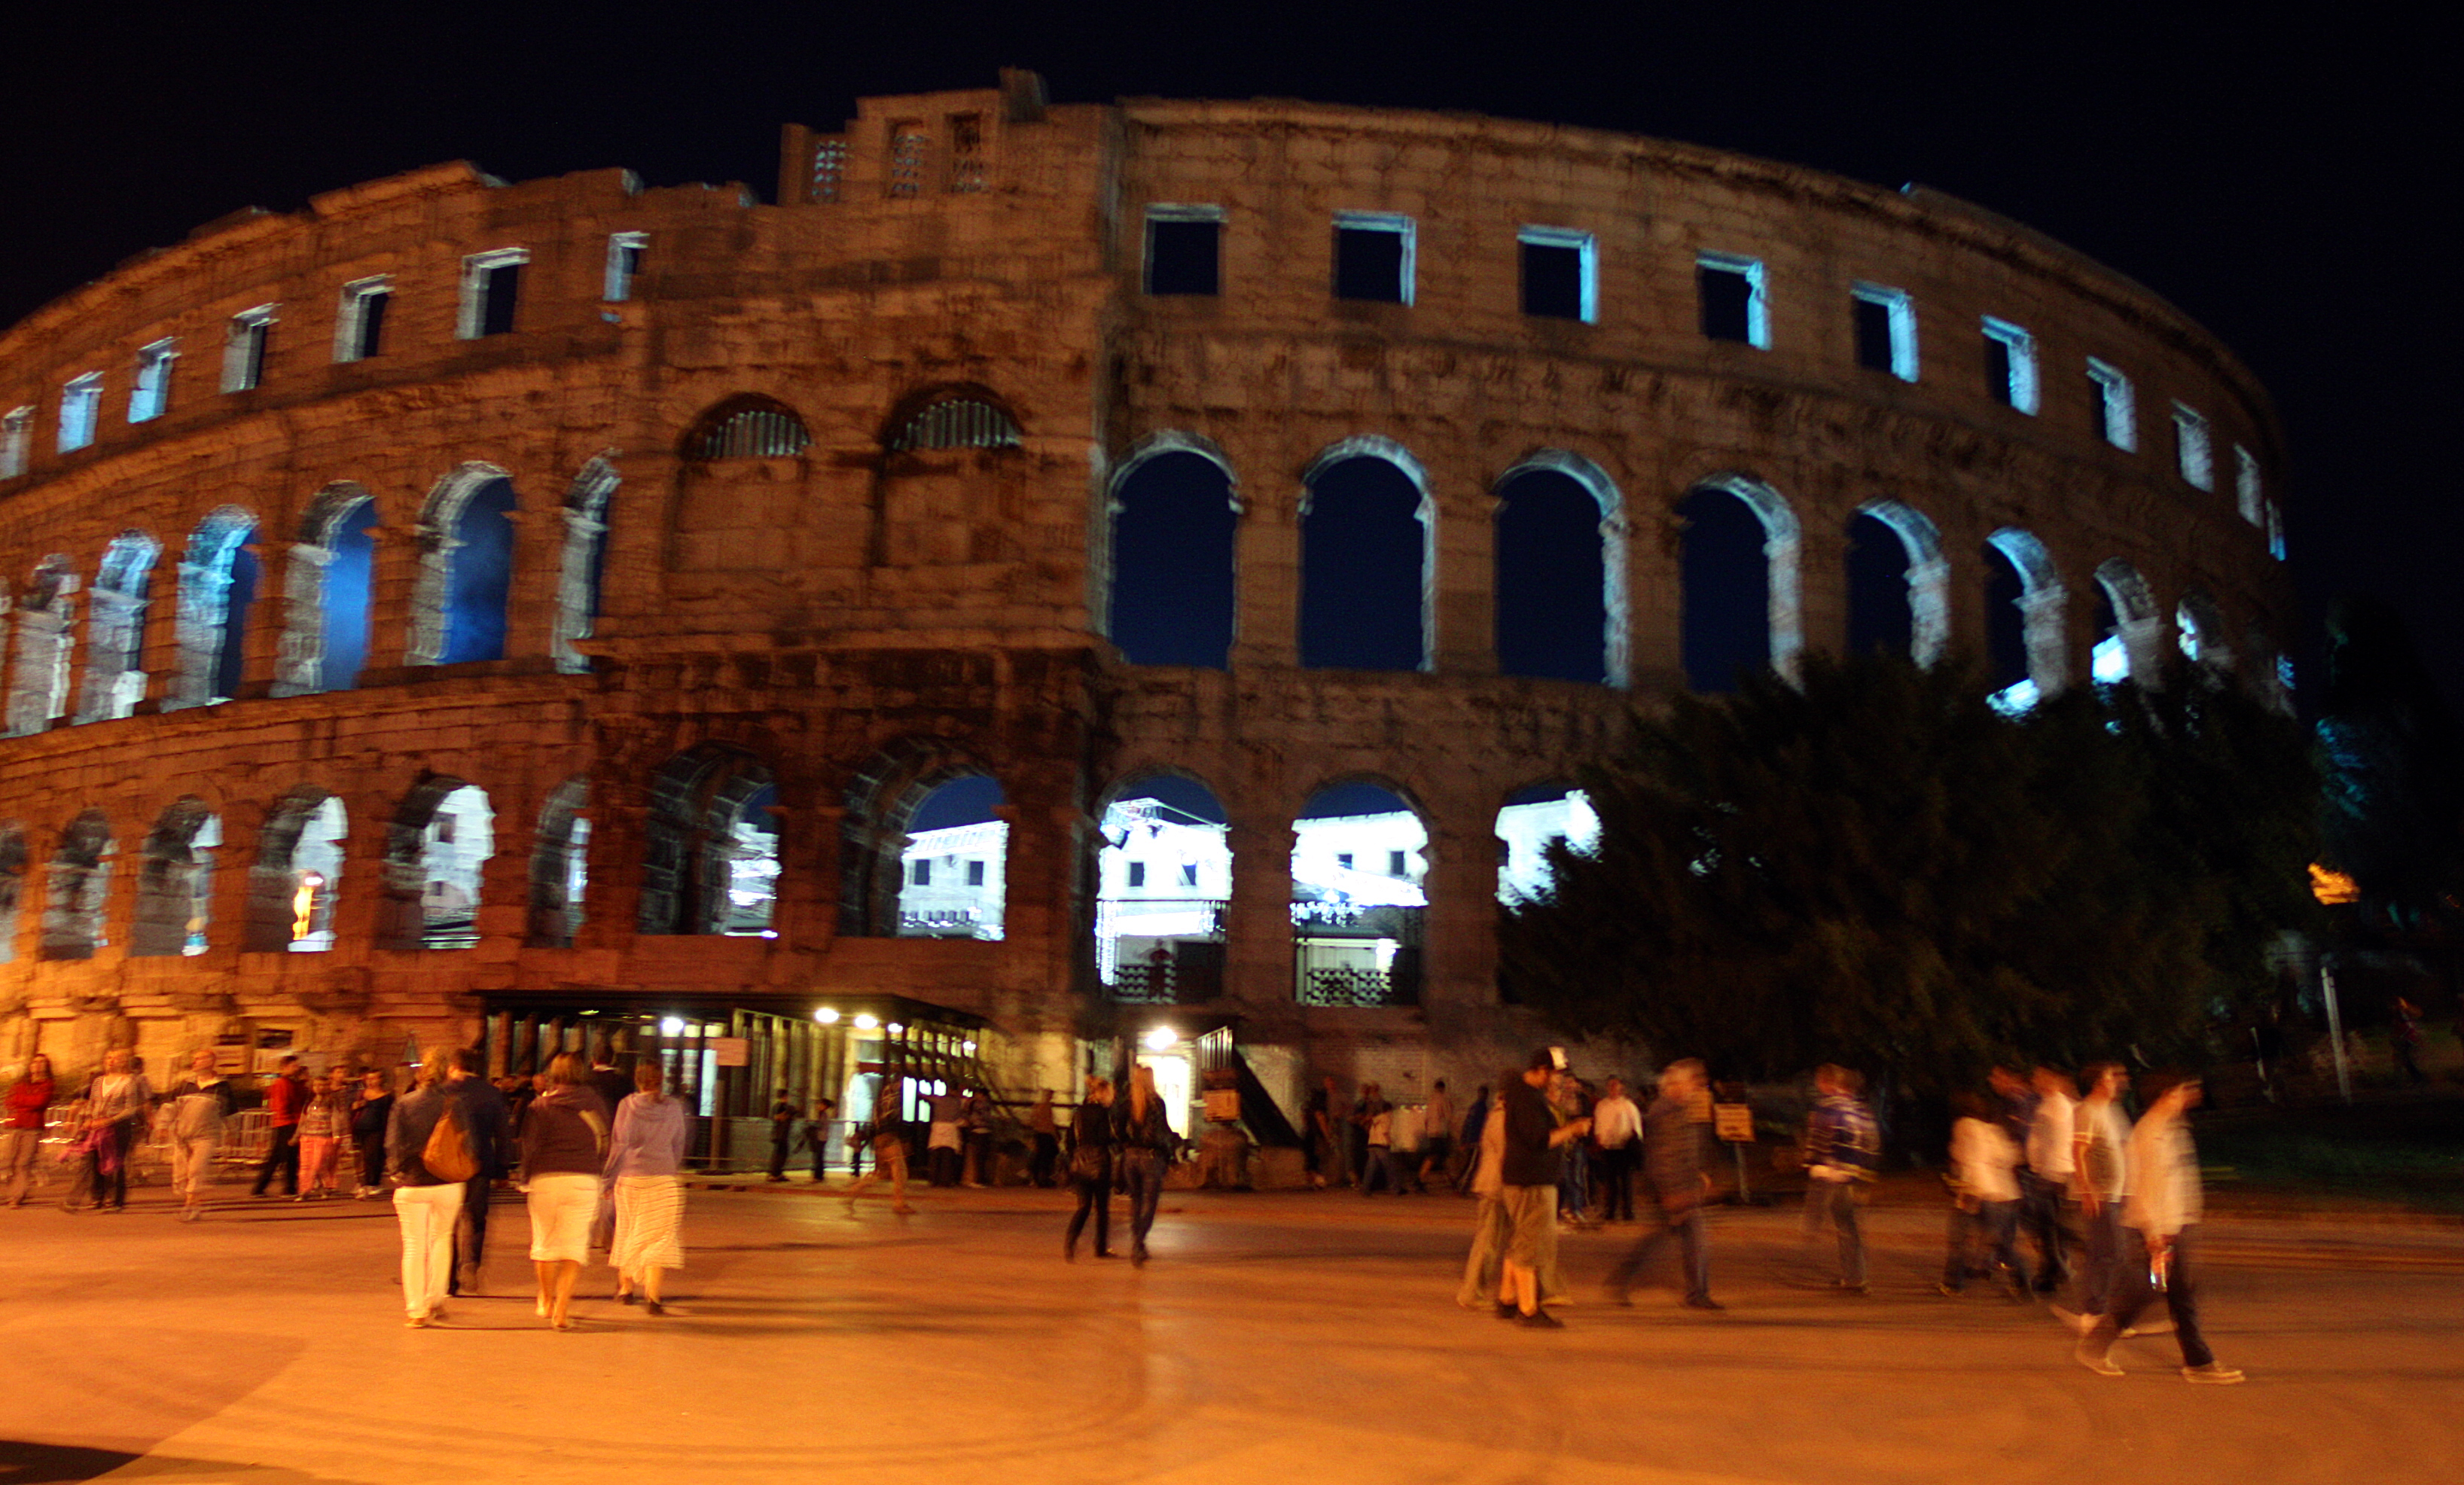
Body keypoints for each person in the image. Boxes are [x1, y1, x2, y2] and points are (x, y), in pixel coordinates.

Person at [2075, 1074, 2244, 1383]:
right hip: (2158, 1232)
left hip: (2174, 1227)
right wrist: (2155, 1236)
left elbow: (2178, 1183)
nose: (2188, 1096)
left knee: (2179, 1295)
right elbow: (2145, 1189)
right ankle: (2097, 1346)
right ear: (2164, 1095)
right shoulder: (2151, 1133)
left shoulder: (2170, 1128)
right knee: (2144, 1294)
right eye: (2181, 1091)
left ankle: (2198, 1362)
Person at [1607, 1059, 1720, 1310]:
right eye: (1692, 1082)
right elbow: (1663, 1156)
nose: (1695, 1087)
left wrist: (1698, 1175)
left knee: (1673, 1241)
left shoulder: (1677, 1108)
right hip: (1674, 1191)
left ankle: (1627, 1280)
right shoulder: (1665, 1111)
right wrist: (1671, 1191)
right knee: (1686, 1240)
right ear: (1676, 1085)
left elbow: (1683, 1150)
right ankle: (1695, 1295)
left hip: (1682, 1187)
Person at [1496, 1047, 1590, 1328]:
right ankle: (1528, 1309)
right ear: (1541, 1070)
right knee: (1530, 1246)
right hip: (1531, 1183)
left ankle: (1507, 1299)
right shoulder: (1526, 1098)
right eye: (1554, 1074)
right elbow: (1539, 1140)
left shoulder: (1526, 1096)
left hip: (1527, 1180)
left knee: (1520, 1242)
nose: (1556, 1081)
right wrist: (1572, 1130)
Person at [521, 1051, 610, 1330]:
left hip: (546, 1179)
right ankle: (562, 1311)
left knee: (545, 1244)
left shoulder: (539, 1106)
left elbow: (529, 1147)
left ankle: (546, 1300)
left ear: (553, 1075)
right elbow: (605, 1141)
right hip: (584, 1179)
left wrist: (524, 1178)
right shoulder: (594, 1104)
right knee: (574, 1248)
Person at [385, 1048, 465, 1327]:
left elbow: (392, 1144)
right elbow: (467, 1141)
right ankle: (436, 1299)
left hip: (413, 1182)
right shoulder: (457, 1103)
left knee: (414, 1245)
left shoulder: (404, 1104)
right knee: (442, 1239)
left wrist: (397, 1172)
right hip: (448, 1181)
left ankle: (416, 1310)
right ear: (448, 1072)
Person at [606, 1059, 689, 1314]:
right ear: (661, 1080)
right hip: (663, 1178)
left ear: (637, 1080)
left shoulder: (626, 1106)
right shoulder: (674, 1107)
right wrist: (669, 1167)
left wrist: (608, 1178)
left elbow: (619, 1144)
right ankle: (653, 1297)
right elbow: (679, 1142)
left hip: (630, 1177)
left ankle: (626, 1289)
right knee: (658, 1237)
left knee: (627, 1230)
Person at [2060, 1062, 2132, 1334]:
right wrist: (2087, 1190)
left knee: (2105, 1253)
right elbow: (2078, 1151)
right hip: (2099, 1195)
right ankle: (2094, 1312)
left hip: (2113, 1193)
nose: (2115, 1082)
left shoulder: (2108, 1111)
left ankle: (2099, 1311)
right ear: (2098, 1084)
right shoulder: (2088, 1110)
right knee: (2111, 1254)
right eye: (2110, 1078)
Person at [1803, 1064, 1881, 1294]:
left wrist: (1812, 1163)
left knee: (1844, 1226)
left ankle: (1854, 1278)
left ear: (1824, 1082)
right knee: (1851, 1227)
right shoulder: (1860, 1109)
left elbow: (1819, 1139)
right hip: (1854, 1175)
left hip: (1833, 1173)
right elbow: (1872, 1143)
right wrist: (1866, 1177)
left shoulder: (1826, 1107)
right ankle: (1856, 1277)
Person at [1941, 1091, 2027, 1297]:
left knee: (1958, 1238)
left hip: (1975, 1189)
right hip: (2003, 1192)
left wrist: (1967, 1188)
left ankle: (1953, 1283)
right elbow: (2012, 1157)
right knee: (1999, 1242)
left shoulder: (1963, 1126)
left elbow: (1966, 1159)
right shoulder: (1994, 1130)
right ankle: (2021, 1280)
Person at [446, 1048, 512, 1298]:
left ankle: (448, 1280)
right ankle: (471, 1261)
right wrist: (503, 1168)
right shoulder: (491, 1093)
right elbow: (503, 1133)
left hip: (448, 1166)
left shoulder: (445, 1091)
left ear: (454, 1066)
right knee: (476, 1218)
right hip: (481, 1165)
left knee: (447, 1223)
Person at [158, 1049, 236, 1222]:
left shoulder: (221, 1087)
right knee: (181, 1174)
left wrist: (232, 1132)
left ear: (210, 1062)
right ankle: (191, 1200)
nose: (194, 1063)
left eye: (198, 1059)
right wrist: (163, 1126)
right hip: (182, 1135)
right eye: (194, 1060)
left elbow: (230, 1113)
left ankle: (191, 1206)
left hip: (206, 1136)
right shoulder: (186, 1085)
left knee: (196, 1170)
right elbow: (170, 1107)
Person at [74, 1048, 152, 1212]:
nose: (110, 1061)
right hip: (96, 1125)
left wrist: (109, 1120)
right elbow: (92, 1103)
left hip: (118, 1126)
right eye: (108, 1058)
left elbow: (130, 1108)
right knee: (94, 1160)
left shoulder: (129, 1081)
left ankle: (115, 1199)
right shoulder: (98, 1081)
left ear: (123, 1061)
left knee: (115, 1161)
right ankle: (97, 1197)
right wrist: (89, 1119)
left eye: (115, 1058)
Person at [2022, 1066, 2077, 1296]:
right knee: (2052, 1227)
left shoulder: (2054, 1107)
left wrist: (2036, 1164)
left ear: (2051, 1079)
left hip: (2052, 1173)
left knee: (2047, 1229)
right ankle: (2050, 1275)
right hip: (2056, 1172)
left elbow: (2045, 1143)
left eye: (2038, 1076)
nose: (2034, 1080)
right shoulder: (2056, 1104)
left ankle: (2058, 1270)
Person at [1114, 1064, 1175, 1266]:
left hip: (1131, 1157)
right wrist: (1169, 1153)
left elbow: (1117, 1128)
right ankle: (1138, 1243)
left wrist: (1126, 1144)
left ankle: (1138, 1243)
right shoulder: (1157, 1104)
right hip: (1151, 1156)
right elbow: (1163, 1132)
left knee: (1136, 1202)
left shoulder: (1126, 1104)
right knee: (1150, 1204)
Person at [842, 1076, 913, 1213]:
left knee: (882, 1174)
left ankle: (852, 1194)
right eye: (901, 1083)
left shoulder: (879, 1098)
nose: (901, 1086)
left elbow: (876, 1121)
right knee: (900, 1172)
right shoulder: (892, 1095)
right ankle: (899, 1203)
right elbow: (891, 1118)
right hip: (889, 1137)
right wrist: (902, 1138)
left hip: (880, 1138)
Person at [1063, 1075, 1116, 1260]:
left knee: (1083, 1207)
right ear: (1100, 1094)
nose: (1111, 1096)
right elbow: (1104, 1139)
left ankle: (1070, 1241)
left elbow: (1069, 1140)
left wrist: (1075, 1157)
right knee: (1102, 1208)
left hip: (1080, 1165)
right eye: (1109, 1093)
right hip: (1099, 1164)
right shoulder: (1103, 1114)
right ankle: (1100, 1248)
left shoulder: (1078, 1113)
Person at [250, 1055, 308, 1198]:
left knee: (276, 1157)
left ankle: (260, 1188)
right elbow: (281, 1105)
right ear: (285, 1067)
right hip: (287, 1124)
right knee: (289, 1157)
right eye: (294, 1066)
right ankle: (289, 1188)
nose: (297, 1068)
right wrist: (289, 1121)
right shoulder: (281, 1083)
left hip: (290, 1122)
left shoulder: (292, 1083)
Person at [3, 1054, 56, 1207]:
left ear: (46, 1066)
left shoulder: (48, 1085)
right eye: (35, 1062)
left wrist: (21, 1101)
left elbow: (39, 1102)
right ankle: (10, 1193)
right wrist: (25, 1102)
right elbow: (9, 1101)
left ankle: (17, 1196)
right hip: (15, 1126)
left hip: (32, 1128)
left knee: (23, 1163)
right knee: (10, 1161)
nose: (38, 1065)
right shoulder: (21, 1084)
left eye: (42, 1062)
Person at [1591, 1075, 1642, 1223]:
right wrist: (1599, 1137)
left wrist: (1636, 1143)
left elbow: (1636, 1126)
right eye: (1610, 1085)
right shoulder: (1602, 1105)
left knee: (1626, 1181)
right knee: (1610, 1181)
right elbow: (1599, 1123)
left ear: (1621, 1087)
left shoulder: (1628, 1106)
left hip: (1624, 1147)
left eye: (1616, 1085)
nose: (1613, 1088)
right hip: (1608, 1147)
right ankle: (1611, 1210)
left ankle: (1628, 1211)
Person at [296, 1072, 349, 1200]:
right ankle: (305, 1190)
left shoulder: (332, 1101)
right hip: (308, 1137)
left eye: (323, 1085)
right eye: (316, 1085)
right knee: (305, 1166)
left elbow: (336, 1118)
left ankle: (326, 1186)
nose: (319, 1088)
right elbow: (304, 1119)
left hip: (324, 1137)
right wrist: (297, 1135)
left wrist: (337, 1135)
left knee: (319, 1164)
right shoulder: (309, 1101)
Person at [350, 1069, 395, 1198]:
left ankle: (372, 1183)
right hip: (359, 1129)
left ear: (381, 1080)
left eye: (374, 1078)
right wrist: (355, 1106)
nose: (371, 1082)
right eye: (369, 1079)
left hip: (377, 1130)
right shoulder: (360, 1094)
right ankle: (362, 1183)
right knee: (360, 1158)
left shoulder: (387, 1097)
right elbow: (349, 1110)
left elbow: (389, 1115)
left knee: (373, 1156)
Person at [1419, 1078, 1455, 1190]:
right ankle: (1419, 1179)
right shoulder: (1443, 1100)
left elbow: (1426, 1119)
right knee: (1434, 1156)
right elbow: (1448, 1117)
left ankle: (1453, 1179)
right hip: (1440, 1132)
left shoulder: (1430, 1101)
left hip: (1431, 1132)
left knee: (1443, 1156)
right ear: (1443, 1088)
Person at [926, 1087, 965, 1187]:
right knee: (948, 1157)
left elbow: (927, 1097)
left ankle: (934, 1180)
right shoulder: (958, 1102)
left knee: (935, 1156)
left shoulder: (939, 1099)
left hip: (937, 1128)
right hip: (951, 1129)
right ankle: (945, 1181)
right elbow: (960, 1116)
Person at [1027, 1089, 1060, 1188]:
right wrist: (1055, 1136)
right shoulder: (1047, 1107)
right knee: (1048, 1157)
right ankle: (1045, 1178)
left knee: (1040, 1156)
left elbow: (1032, 1121)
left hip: (1039, 1133)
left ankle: (1037, 1178)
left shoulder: (1037, 1106)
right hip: (1047, 1135)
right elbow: (1049, 1123)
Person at [962, 1086, 994, 1187]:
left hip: (979, 1131)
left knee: (978, 1157)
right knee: (981, 1157)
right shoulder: (988, 1105)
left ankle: (979, 1180)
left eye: (978, 1094)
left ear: (982, 1095)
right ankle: (981, 1179)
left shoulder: (979, 1105)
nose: (976, 1096)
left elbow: (970, 1113)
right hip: (984, 1131)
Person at [766, 1087, 799, 1182]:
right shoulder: (779, 1107)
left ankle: (777, 1173)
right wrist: (786, 1115)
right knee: (779, 1155)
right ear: (784, 1096)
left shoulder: (784, 1106)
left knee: (782, 1154)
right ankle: (775, 1174)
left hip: (782, 1134)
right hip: (779, 1134)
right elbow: (777, 1118)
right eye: (787, 1096)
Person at [2391, 997, 2426, 1086]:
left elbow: (2408, 1027)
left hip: (2407, 1040)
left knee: (2406, 1061)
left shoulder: (2401, 1014)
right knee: (2404, 1060)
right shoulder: (2402, 1013)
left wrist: (2401, 1036)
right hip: (2408, 1039)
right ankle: (2415, 1079)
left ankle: (2418, 1079)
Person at [804, 1096, 837, 1182]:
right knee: (819, 1157)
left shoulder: (823, 1114)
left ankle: (818, 1176)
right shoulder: (822, 1114)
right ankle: (819, 1175)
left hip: (820, 1138)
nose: (818, 1106)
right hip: (822, 1138)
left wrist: (812, 1125)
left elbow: (821, 1126)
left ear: (824, 1106)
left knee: (818, 1157)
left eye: (820, 1104)